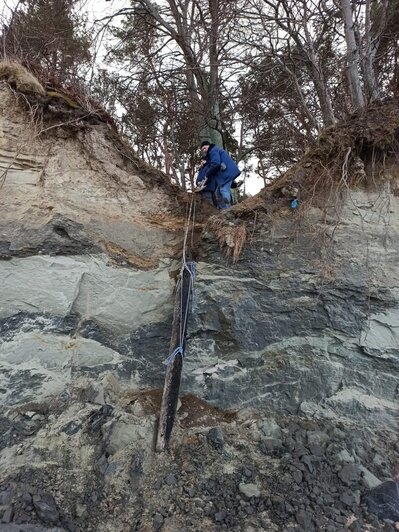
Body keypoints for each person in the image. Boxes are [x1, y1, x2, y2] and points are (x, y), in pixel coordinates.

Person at [199, 140, 241, 209]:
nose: (204, 150)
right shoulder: (211, 154)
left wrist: (207, 174)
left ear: (208, 146)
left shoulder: (213, 150)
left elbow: (216, 163)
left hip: (227, 173)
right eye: (202, 149)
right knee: (218, 192)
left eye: (204, 148)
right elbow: (212, 164)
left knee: (223, 190)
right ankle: (222, 210)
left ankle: (228, 209)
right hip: (225, 174)